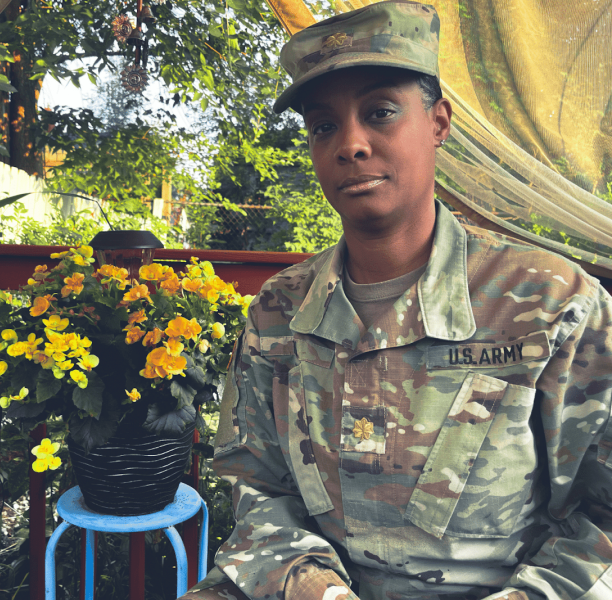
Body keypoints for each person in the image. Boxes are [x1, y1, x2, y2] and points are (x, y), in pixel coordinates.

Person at [181, 1, 612, 599]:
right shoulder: (279, 311)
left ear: (438, 123)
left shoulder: (549, 302)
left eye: (380, 112)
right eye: (324, 125)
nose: (350, 145)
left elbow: (603, 519)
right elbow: (257, 489)